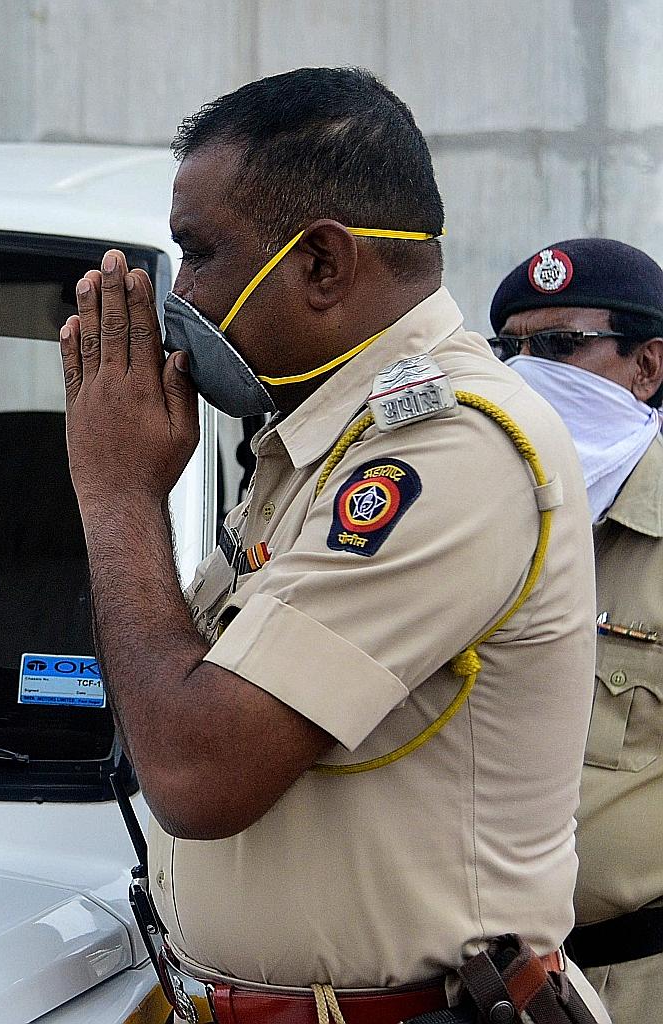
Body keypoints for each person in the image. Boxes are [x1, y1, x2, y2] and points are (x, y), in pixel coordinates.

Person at [59, 67, 609, 1021]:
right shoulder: (319, 440)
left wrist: (116, 491)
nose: (180, 294)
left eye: (200, 252)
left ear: (321, 264)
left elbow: (197, 772)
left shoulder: (451, 450)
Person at [489, 238, 663, 1023]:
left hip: (636, 981)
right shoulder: (474, 521)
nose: (528, 375)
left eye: (562, 347)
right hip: (478, 987)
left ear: (648, 367)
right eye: (511, 350)